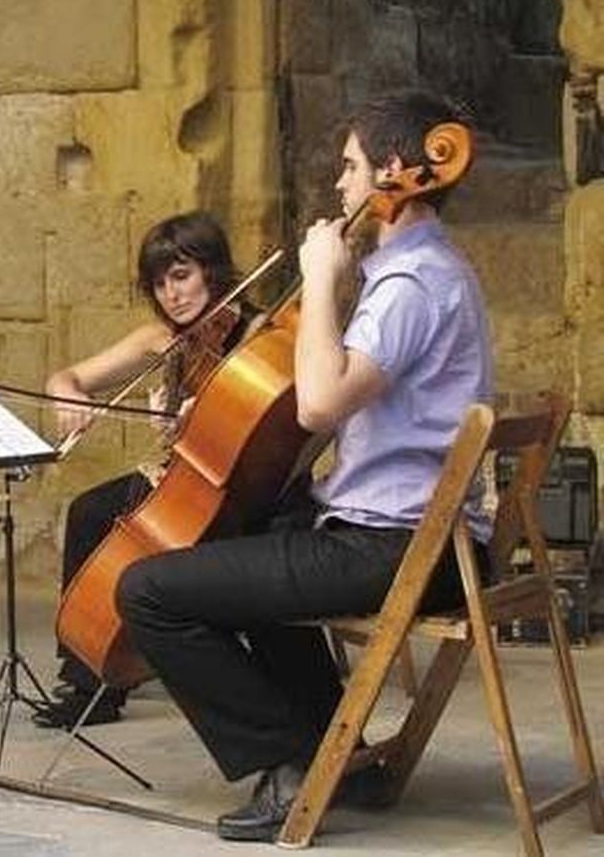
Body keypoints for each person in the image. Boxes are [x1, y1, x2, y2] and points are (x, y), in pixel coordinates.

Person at [114, 90, 491, 842]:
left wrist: (321, 277)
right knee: (249, 536)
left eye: (351, 168)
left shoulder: (409, 284)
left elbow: (320, 403)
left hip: (393, 546)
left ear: (393, 170)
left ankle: (289, 761)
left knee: (148, 591)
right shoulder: (435, 270)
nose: (343, 187)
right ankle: (331, 746)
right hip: (429, 540)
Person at [37, 211, 255, 729]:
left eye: (181, 276)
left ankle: (130, 660)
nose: (171, 296)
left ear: (212, 270)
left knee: (119, 527)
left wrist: (203, 419)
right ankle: (89, 679)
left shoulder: (253, 337)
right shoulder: (162, 338)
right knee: (90, 513)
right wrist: (68, 394)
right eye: (159, 284)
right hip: (178, 480)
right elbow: (65, 376)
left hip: (236, 487)